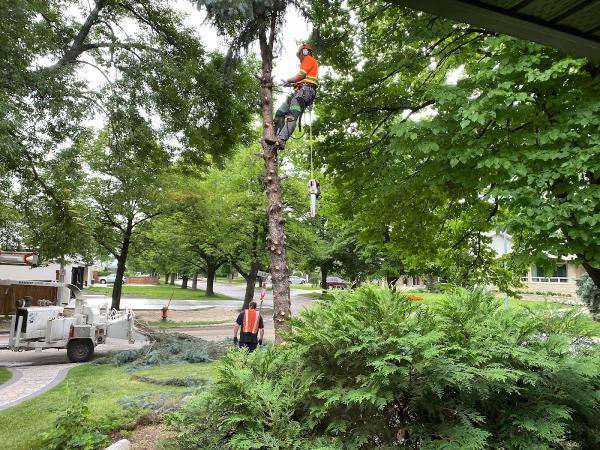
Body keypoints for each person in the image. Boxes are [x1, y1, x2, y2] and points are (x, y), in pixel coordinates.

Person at [266, 43, 318, 146]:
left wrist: (289, 80)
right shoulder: (308, 62)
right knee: (280, 113)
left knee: (292, 116)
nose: (300, 58)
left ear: (305, 51)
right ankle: (275, 136)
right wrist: (291, 84)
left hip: (305, 92)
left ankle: (281, 140)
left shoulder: (308, 59)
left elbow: (301, 75)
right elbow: (303, 79)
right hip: (299, 91)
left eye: (300, 55)